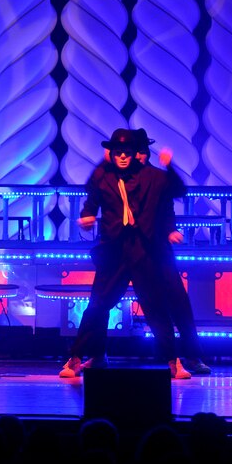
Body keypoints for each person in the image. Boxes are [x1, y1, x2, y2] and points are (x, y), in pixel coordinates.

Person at [59, 128, 187, 379]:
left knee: (155, 307)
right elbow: (92, 196)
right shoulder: (102, 176)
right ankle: (77, 358)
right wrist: (87, 215)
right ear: (111, 154)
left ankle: (174, 362)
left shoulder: (152, 176)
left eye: (127, 153)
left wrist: (170, 166)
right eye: (117, 153)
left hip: (143, 250)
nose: (123, 157)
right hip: (114, 251)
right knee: (97, 306)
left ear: (134, 154)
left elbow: (178, 190)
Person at [132, 128, 211, 375]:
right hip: (134, 252)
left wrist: (170, 166)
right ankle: (170, 358)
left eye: (143, 152)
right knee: (152, 308)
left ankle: (193, 356)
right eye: (136, 152)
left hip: (160, 250)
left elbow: (176, 193)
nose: (140, 157)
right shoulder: (119, 181)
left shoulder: (157, 177)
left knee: (180, 305)